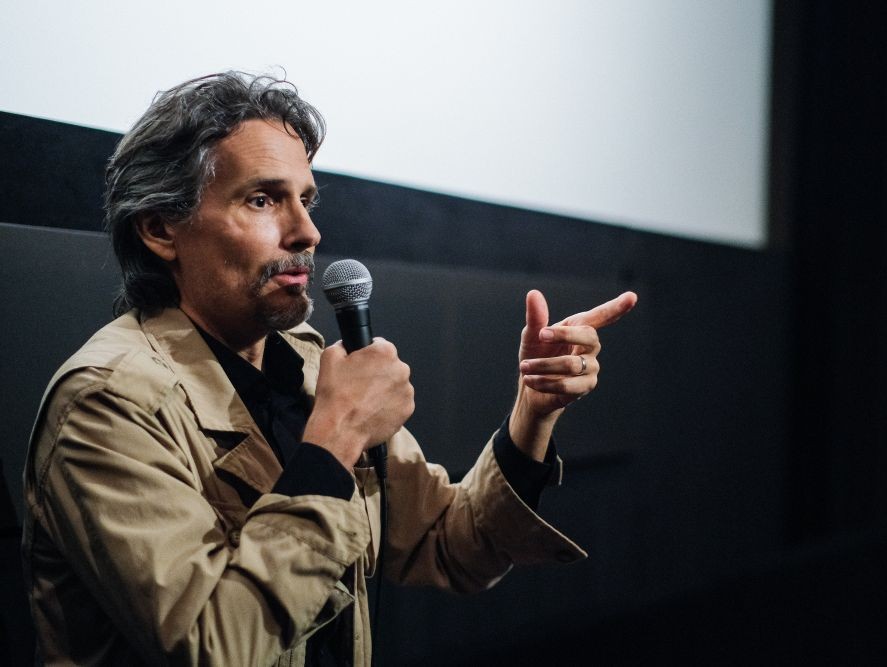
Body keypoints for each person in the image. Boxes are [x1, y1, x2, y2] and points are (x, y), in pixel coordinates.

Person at [21, 71, 638, 666]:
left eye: (307, 200)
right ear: (161, 229)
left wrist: (533, 408)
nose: (307, 232)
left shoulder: (312, 365)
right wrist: (335, 438)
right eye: (262, 199)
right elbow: (215, 645)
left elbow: (451, 546)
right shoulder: (107, 402)